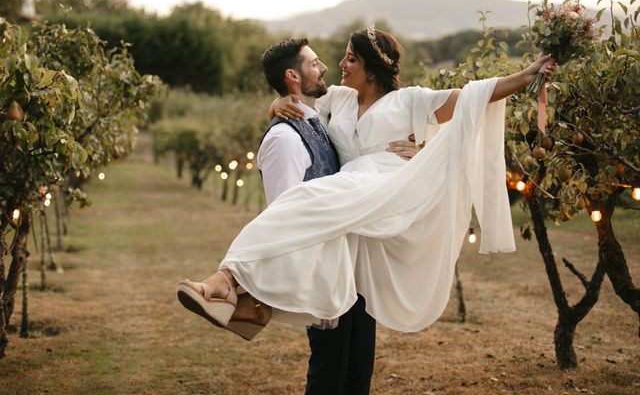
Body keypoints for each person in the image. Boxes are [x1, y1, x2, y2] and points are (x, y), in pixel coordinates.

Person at [177, 25, 554, 342]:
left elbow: (475, 95)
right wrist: (274, 107)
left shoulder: (410, 101)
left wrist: (529, 74)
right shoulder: (338, 100)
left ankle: (228, 284)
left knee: (299, 204)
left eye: (351, 59)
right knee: (297, 214)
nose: (340, 65)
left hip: (386, 189)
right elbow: (298, 103)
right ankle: (243, 294)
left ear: (371, 69)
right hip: (350, 189)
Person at [256, 38, 418, 394]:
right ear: (293, 75)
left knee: (357, 371)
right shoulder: (284, 139)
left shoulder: (323, 117)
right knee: (329, 374)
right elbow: (285, 212)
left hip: (356, 263)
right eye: (315, 63)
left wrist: (419, 148)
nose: (326, 66)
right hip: (325, 270)